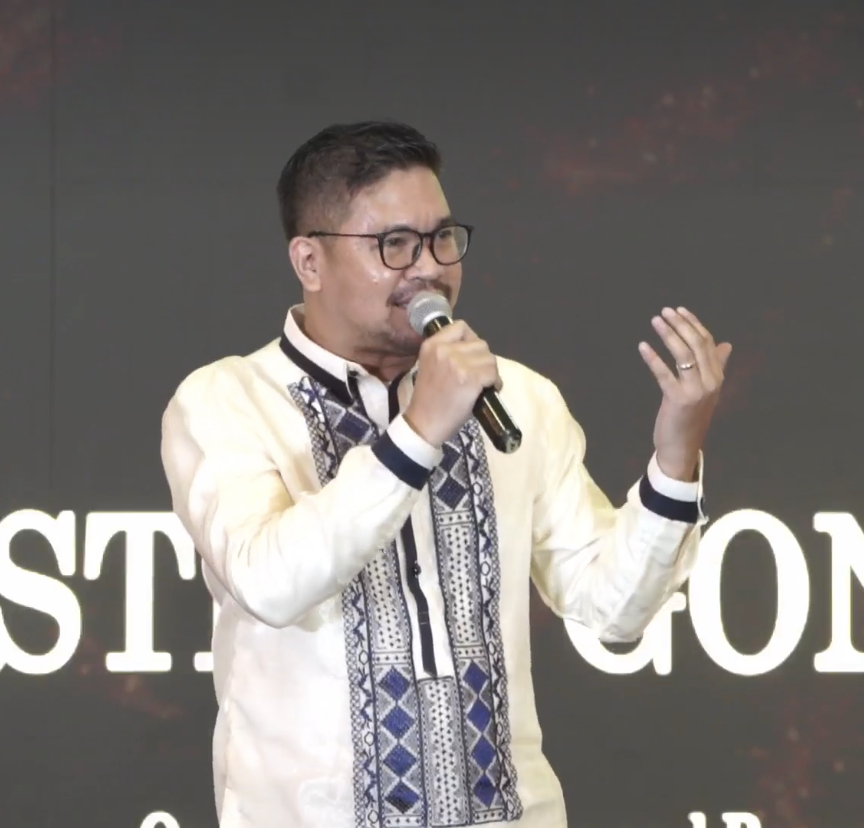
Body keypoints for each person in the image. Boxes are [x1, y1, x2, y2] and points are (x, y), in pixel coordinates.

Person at [160, 120, 733, 828]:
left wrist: (677, 456)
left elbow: (614, 610)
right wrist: (418, 432)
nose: (428, 268)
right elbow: (269, 583)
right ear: (309, 261)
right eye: (394, 245)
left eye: (441, 239)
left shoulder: (518, 398)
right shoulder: (227, 400)